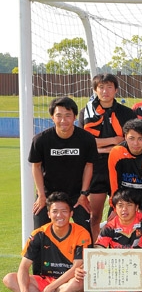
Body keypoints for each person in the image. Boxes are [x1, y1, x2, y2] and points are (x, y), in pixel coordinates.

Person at [3, 192, 91, 292]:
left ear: (71, 213)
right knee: (9, 278)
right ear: (49, 214)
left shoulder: (81, 234)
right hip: (45, 280)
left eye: (64, 211)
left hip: (67, 282)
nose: (59, 215)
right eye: (55, 211)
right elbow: (23, 267)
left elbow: (76, 267)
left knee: (79, 284)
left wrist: (49, 289)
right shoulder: (39, 234)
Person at [79, 74, 136, 240]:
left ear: (116, 90)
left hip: (121, 167)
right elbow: (86, 143)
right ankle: (95, 248)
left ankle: (117, 245)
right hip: (96, 168)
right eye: (101, 87)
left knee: (121, 213)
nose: (105, 91)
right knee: (95, 215)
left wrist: (101, 147)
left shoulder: (126, 113)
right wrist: (113, 142)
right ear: (95, 90)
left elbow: (129, 143)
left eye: (109, 87)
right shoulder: (86, 112)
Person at [29, 96, 98, 233]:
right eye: (59, 116)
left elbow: (88, 166)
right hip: (49, 194)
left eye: (67, 115)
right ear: (52, 117)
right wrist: (41, 196)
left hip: (76, 195)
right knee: (40, 233)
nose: (63, 120)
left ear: (74, 117)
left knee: (85, 232)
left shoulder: (87, 139)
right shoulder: (40, 140)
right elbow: (36, 166)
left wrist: (84, 194)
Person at [92, 188, 142, 292]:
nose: (124, 209)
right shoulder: (109, 227)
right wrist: (88, 265)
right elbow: (98, 250)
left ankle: (136, 291)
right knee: (100, 262)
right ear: (115, 208)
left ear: (136, 207)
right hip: (122, 268)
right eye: (120, 205)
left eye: (129, 205)